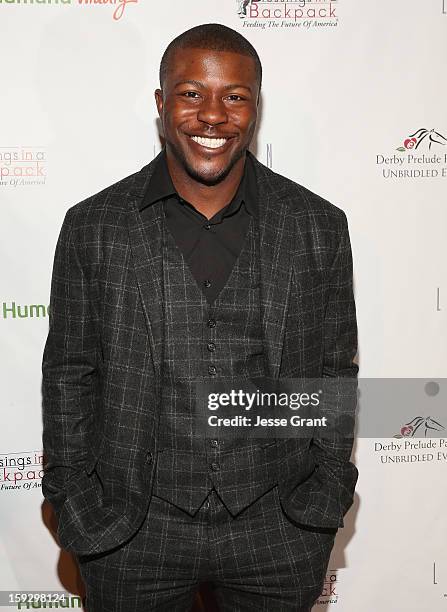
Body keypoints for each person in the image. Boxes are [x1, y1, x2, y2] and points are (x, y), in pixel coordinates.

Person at [41, 23, 359, 612]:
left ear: (255, 109)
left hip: (278, 526)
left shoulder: (317, 225)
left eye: (234, 96)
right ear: (162, 104)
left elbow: (333, 371)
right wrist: (75, 498)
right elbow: (69, 374)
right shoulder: (94, 226)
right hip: (130, 531)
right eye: (191, 93)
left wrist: (325, 492)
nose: (212, 115)